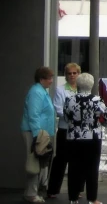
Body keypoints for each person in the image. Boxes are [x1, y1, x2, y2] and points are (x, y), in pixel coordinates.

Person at [64, 73, 107, 204]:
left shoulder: (70, 100)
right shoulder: (97, 100)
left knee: (74, 168)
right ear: (91, 85)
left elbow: (66, 118)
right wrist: (99, 123)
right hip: (93, 137)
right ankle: (92, 198)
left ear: (78, 85)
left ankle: (73, 199)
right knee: (92, 168)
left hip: (74, 137)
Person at [21, 67, 56, 203]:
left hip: (41, 133)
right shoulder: (36, 92)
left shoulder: (41, 91)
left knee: (38, 161)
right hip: (34, 133)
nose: (51, 81)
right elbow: (33, 115)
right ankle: (31, 194)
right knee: (34, 162)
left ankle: (31, 192)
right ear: (41, 79)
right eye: (49, 78)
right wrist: (37, 136)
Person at [47, 63, 81, 199]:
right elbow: (58, 108)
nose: (72, 75)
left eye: (74, 73)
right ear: (66, 75)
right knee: (60, 160)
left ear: (79, 74)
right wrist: (73, 117)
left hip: (79, 131)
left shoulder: (82, 90)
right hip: (65, 129)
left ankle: (76, 190)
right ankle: (52, 190)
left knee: (78, 161)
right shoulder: (60, 90)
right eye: (69, 73)